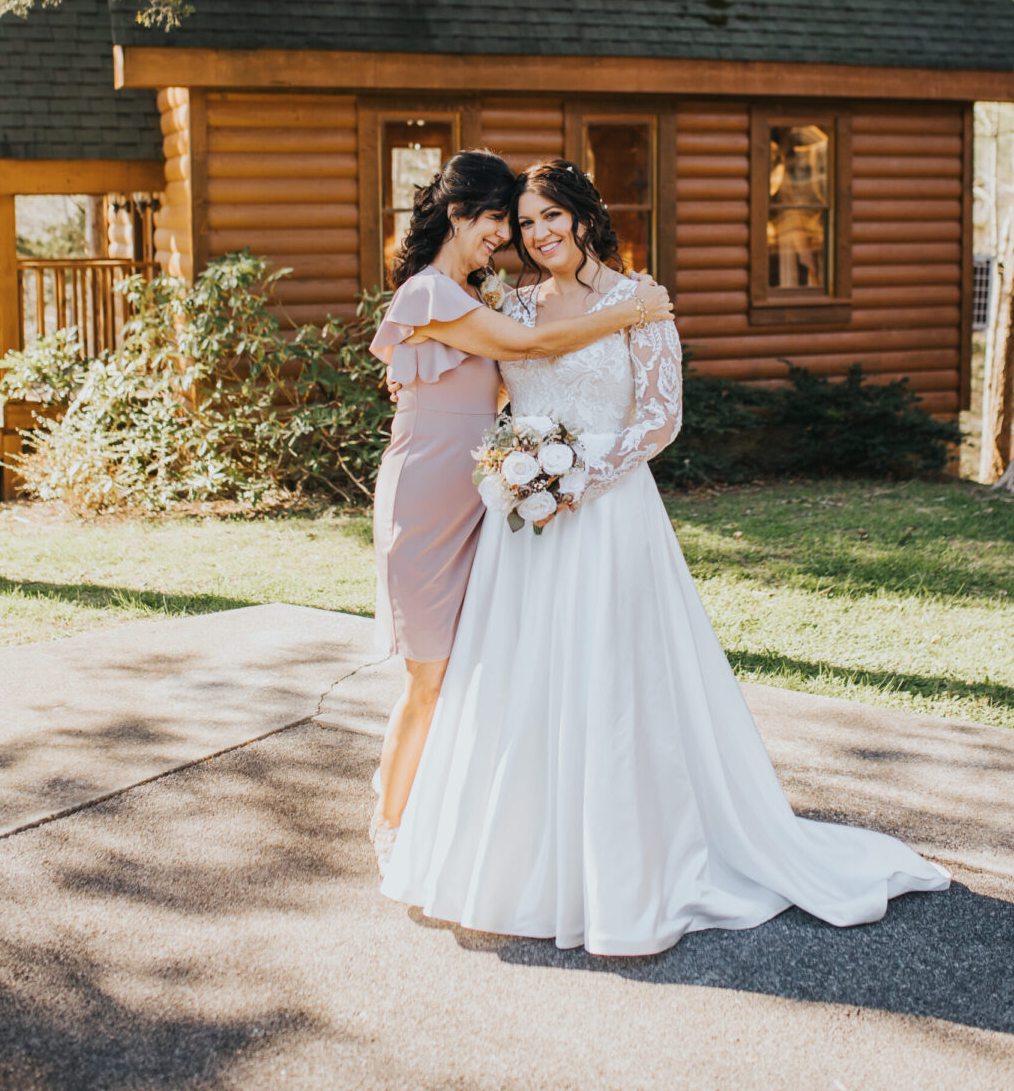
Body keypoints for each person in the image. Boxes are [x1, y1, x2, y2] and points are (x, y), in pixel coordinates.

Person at [379, 159, 949, 956]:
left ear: (582, 218)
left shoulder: (641, 303)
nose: (537, 235)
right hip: (524, 526)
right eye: (524, 222)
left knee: (616, 683)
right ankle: (518, 858)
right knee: (519, 682)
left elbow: (661, 419)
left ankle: (633, 857)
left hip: (608, 514)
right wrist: (522, 467)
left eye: (550, 218)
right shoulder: (509, 304)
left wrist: (582, 476)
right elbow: (504, 384)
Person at [368, 150, 673, 874]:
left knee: (480, 665)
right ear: (458, 214)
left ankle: (455, 810)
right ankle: (388, 817)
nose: (507, 238)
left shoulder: (473, 296)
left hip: (482, 501)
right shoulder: (428, 295)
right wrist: (630, 310)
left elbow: (512, 382)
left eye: (527, 220)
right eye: (500, 220)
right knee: (429, 677)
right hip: (425, 504)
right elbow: (532, 345)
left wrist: (536, 444)